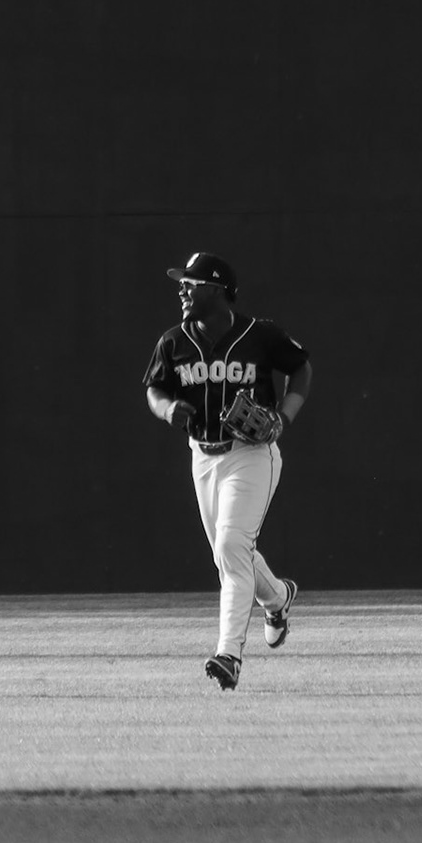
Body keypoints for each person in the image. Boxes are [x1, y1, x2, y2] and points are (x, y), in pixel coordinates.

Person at [142, 252, 313, 691]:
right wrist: (165, 411)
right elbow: (156, 388)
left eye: (192, 283)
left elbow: (301, 369)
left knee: (231, 545)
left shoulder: (261, 334)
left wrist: (285, 417)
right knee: (230, 551)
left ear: (217, 290)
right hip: (203, 455)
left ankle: (229, 656)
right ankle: (277, 597)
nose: (183, 289)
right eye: (182, 283)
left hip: (252, 454)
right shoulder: (173, 341)